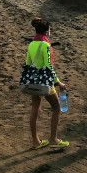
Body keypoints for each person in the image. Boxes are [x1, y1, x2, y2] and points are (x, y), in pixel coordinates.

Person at [26, 17, 70, 150]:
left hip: (33, 81)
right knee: (56, 108)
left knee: (35, 110)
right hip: (45, 82)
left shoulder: (31, 44)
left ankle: (36, 141)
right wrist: (59, 83)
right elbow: (48, 67)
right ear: (47, 31)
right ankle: (53, 139)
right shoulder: (46, 45)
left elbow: (28, 64)